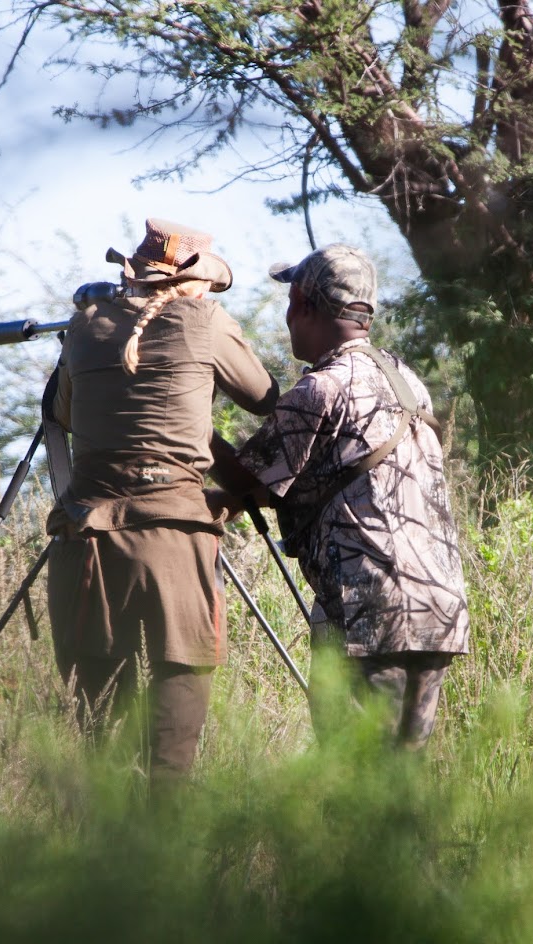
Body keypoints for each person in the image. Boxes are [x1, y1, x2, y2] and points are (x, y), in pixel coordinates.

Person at [43, 218, 279, 779]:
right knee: (178, 713)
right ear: (194, 283)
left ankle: (106, 852)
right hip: (173, 538)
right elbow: (265, 398)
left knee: (100, 737)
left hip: (89, 541)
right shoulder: (205, 319)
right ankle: (168, 839)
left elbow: (63, 417)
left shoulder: (83, 327)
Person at [211, 243, 470, 749]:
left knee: (355, 779)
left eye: (290, 301)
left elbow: (249, 480)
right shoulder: (407, 380)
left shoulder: (321, 390)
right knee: (402, 776)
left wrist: (195, 429)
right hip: (436, 608)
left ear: (304, 304)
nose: (287, 315)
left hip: (368, 611)